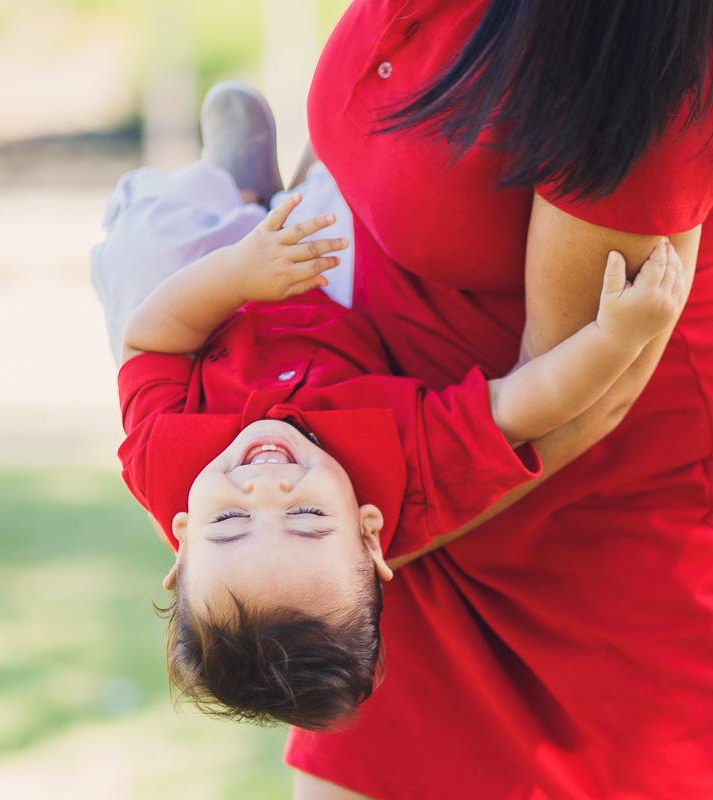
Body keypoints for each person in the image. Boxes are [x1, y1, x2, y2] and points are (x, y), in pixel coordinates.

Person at [94, 82, 688, 734]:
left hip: (217, 299)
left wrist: (238, 274)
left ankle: (231, 187)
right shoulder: (410, 473)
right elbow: (525, 405)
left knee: (135, 250)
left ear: (179, 540)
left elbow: (149, 338)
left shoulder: (162, 464)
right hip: (326, 297)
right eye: (308, 515)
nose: (266, 483)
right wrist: (616, 337)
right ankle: (264, 201)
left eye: (229, 519)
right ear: (370, 532)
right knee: (344, 216)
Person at [284, 0, 713, 797]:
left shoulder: (626, 31)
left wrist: (327, 548)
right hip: (399, 485)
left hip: (575, 526)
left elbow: (590, 389)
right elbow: (350, 149)